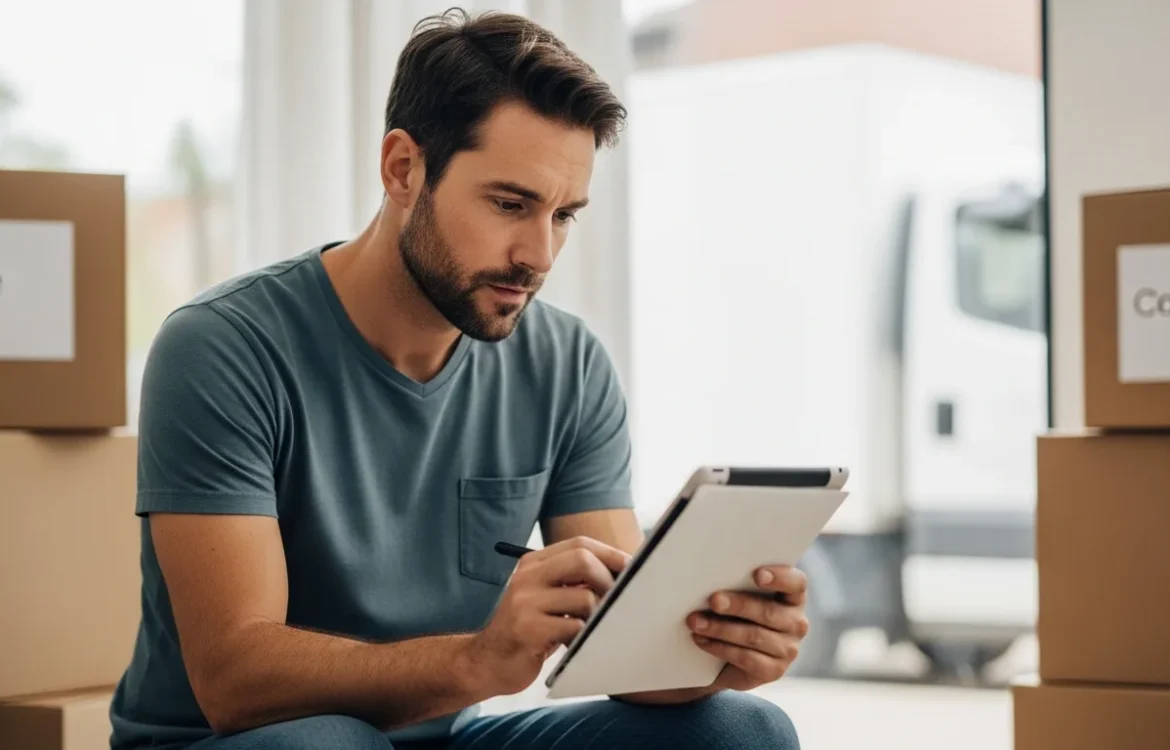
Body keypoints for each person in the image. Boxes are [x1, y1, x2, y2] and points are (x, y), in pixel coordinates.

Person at [109, 8, 810, 750]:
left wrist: (718, 648)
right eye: (510, 204)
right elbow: (235, 680)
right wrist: (479, 660)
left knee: (742, 731)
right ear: (403, 169)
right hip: (245, 743)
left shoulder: (566, 365)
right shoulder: (223, 347)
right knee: (326, 745)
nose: (539, 254)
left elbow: (624, 650)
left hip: (439, 738)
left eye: (564, 215)